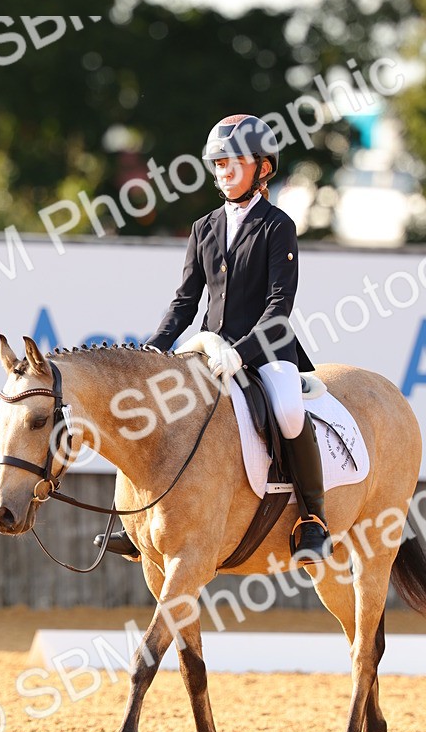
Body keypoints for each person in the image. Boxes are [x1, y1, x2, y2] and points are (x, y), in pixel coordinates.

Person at [96, 113, 332, 564]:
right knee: (156, 406)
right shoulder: (204, 227)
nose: (224, 171)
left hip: (266, 351)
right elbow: (185, 302)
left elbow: (278, 309)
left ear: (263, 168)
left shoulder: (277, 226)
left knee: (287, 409)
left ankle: (312, 520)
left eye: (234, 162)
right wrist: (152, 352)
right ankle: (130, 520)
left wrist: (241, 354)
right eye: (218, 163)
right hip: (209, 348)